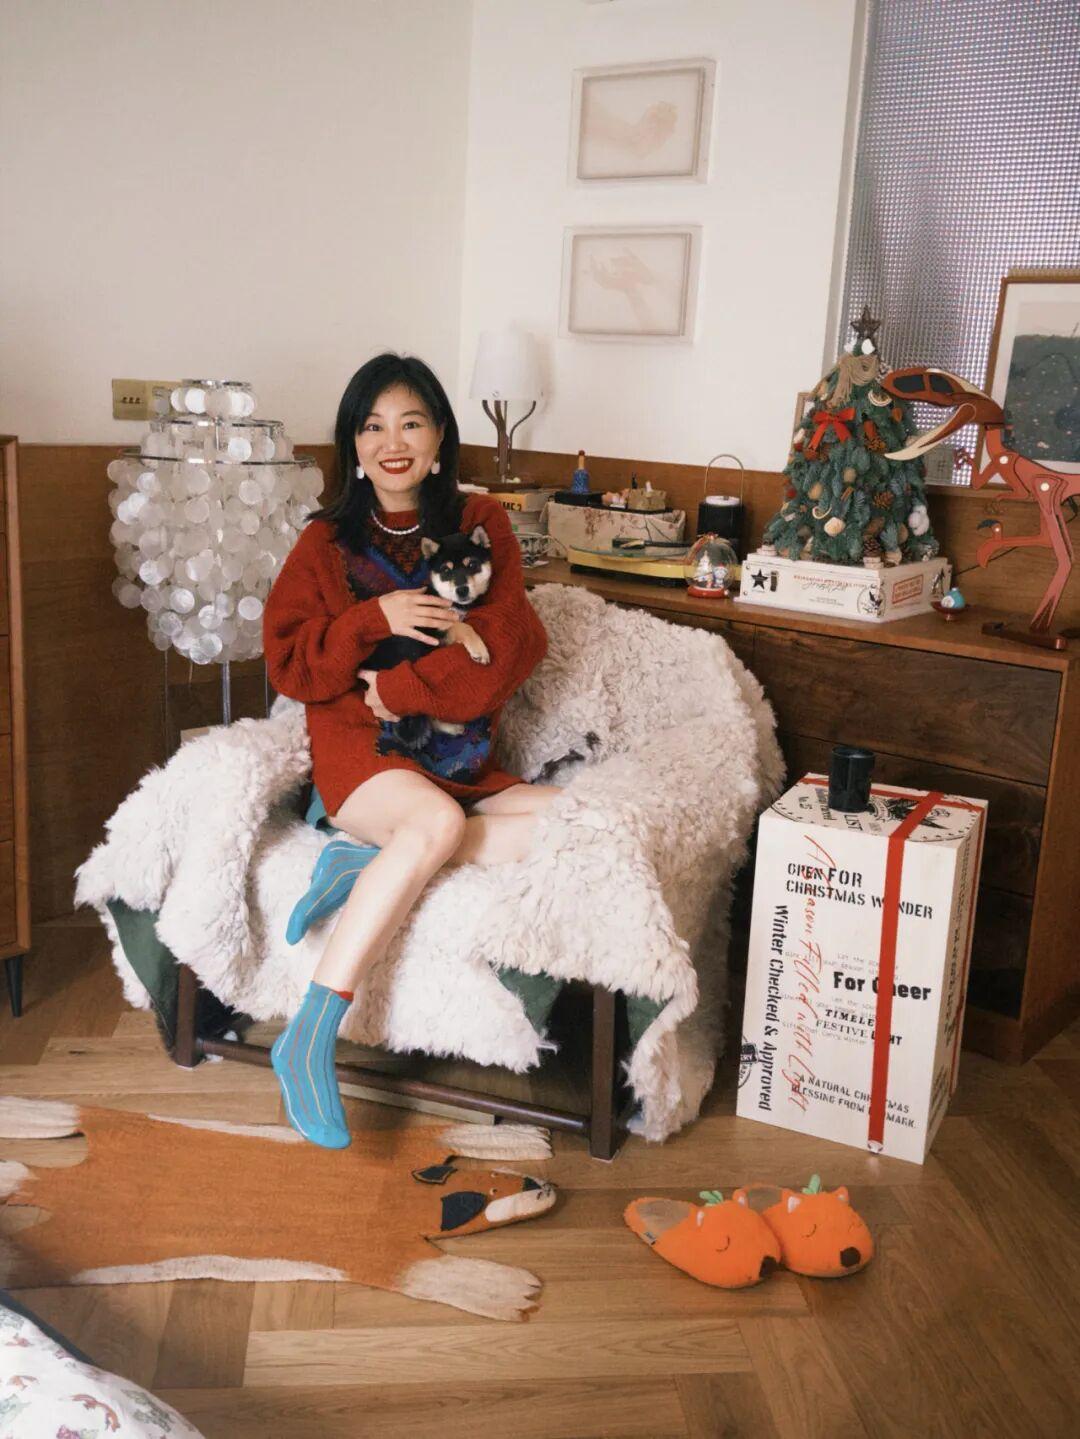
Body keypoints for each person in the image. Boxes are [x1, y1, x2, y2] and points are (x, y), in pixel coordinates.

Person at [262, 353, 556, 1147]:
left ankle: (363, 861)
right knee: (435, 825)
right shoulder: (325, 542)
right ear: (353, 445)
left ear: (440, 438)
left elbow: (507, 648)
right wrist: (375, 618)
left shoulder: (481, 522)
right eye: (372, 426)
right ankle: (309, 1033)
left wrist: (401, 686)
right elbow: (292, 665)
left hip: (457, 755)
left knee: (574, 821)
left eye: (411, 423)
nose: (392, 442)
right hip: (360, 753)